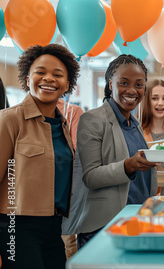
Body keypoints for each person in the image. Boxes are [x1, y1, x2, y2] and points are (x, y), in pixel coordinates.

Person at [0, 43, 80, 269]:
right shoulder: (9, 120)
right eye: (40, 72)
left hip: (55, 227)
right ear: (27, 79)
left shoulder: (62, 125)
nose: (49, 79)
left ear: (67, 84)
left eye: (58, 75)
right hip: (16, 227)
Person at [76, 54, 157, 248]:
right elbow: (91, 176)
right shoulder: (92, 119)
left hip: (136, 220)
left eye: (139, 84)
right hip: (103, 226)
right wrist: (128, 165)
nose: (132, 90)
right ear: (110, 84)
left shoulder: (134, 123)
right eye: (124, 83)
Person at [56, 98, 84, 260]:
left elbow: (76, 156)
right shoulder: (16, 115)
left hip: (65, 196)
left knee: (66, 244)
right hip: (29, 205)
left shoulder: (73, 112)